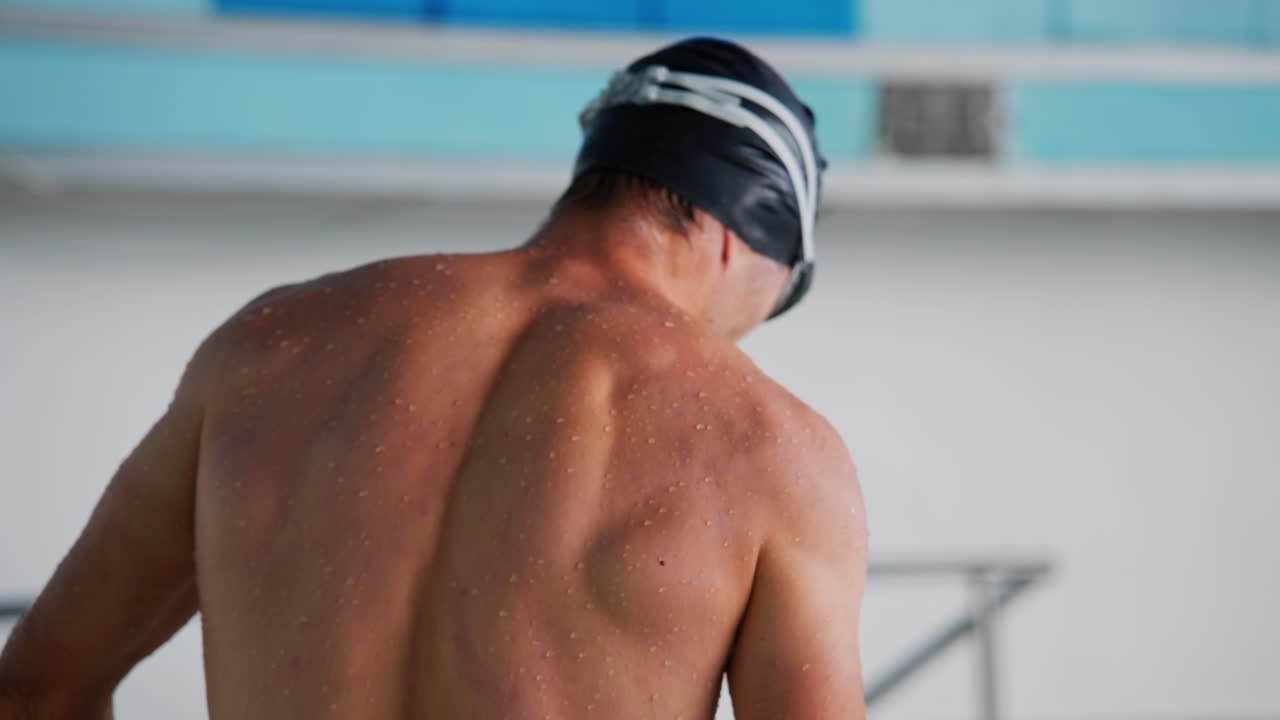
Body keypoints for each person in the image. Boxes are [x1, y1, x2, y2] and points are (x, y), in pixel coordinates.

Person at [0, 37, 867, 719]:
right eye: (772, 303)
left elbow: (35, 689)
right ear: (735, 241)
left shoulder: (268, 347)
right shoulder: (775, 450)